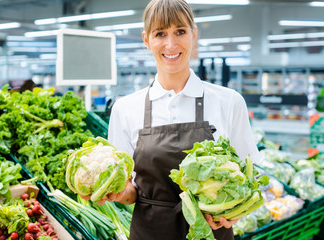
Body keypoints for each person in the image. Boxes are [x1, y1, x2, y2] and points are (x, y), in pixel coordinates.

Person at [85, 0, 261, 239]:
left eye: (180, 31)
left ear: (193, 34)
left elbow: (250, 178)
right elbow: (131, 190)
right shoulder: (125, 109)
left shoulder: (229, 101)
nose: (170, 44)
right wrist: (115, 192)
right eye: (160, 34)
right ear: (147, 40)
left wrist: (236, 211)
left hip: (211, 233)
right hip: (149, 232)